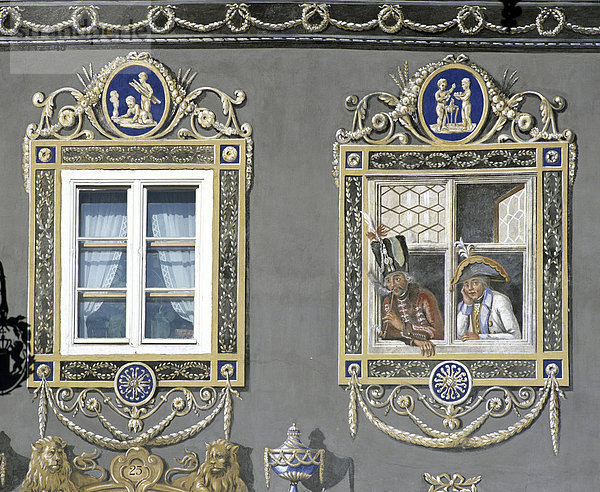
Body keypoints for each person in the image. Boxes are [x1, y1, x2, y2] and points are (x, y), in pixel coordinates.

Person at [370, 234, 444, 356]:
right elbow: (388, 333)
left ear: (407, 278)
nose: (393, 285)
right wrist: (414, 340)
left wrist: (402, 326)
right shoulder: (388, 302)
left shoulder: (424, 296)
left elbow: (438, 333)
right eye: (388, 281)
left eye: (397, 279)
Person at [450, 253, 521, 340]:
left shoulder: (500, 300)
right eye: (466, 284)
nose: (470, 288)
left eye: (475, 283)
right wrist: (467, 306)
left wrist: (480, 337)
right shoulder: (462, 305)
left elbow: (515, 336)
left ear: (484, 285)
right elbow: (458, 335)